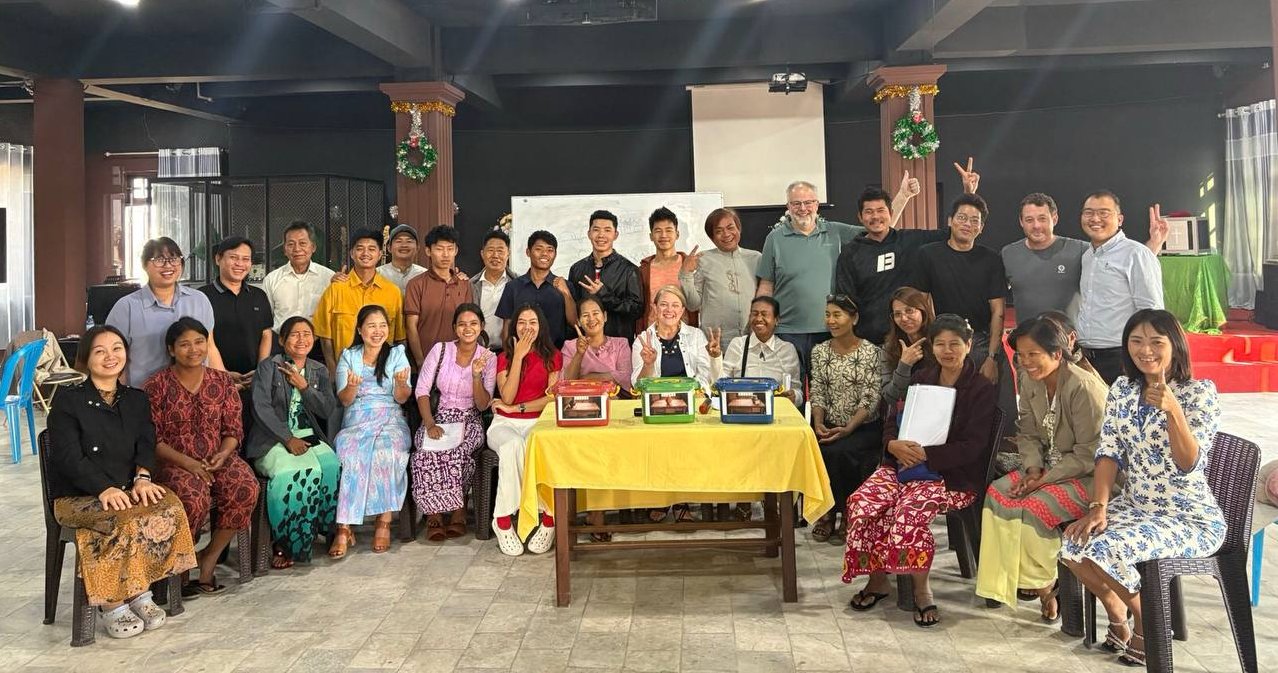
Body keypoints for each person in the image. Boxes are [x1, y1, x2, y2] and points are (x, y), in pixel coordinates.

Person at [1061, 309, 1224, 667]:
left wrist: (1173, 411)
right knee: (1072, 542)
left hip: (1187, 516)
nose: (1145, 349)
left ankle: (1151, 623)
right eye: (1136, 341)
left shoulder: (1199, 393)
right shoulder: (1122, 389)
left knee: (1106, 549)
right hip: (1136, 506)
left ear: (1175, 346)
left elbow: (1189, 464)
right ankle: (1120, 616)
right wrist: (1098, 506)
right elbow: (1108, 452)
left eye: (1156, 341)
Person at [843, 314, 996, 628]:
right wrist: (893, 446)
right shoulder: (920, 378)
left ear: (969, 346)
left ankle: (921, 591)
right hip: (903, 465)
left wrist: (928, 454)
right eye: (940, 344)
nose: (947, 350)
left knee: (909, 511)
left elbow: (974, 446)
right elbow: (890, 421)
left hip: (949, 476)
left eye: (955, 343)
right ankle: (877, 581)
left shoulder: (980, 388)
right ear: (932, 347)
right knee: (863, 503)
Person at [47, 325, 196, 638]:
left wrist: (143, 477)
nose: (110, 356)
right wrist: (104, 488)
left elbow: (146, 440)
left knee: (167, 504)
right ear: (86, 359)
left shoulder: (135, 399)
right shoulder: (68, 402)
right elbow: (68, 458)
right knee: (118, 518)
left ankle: (140, 590)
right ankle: (112, 603)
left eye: (116, 348)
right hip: (78, 495)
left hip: (127, 487)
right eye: (100, 351)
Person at [974, 317, 1107, 619]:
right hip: (1047, 467)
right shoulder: (1028, 378)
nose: (1025, 362)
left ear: (1057, 353)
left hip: (1092, 476)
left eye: (1033, 354)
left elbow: (1091, 455)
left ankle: (1043, 583)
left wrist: (1044, 480)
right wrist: (1033, 471)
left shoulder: (1084, 388)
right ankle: (1007, 583)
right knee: (997, 493)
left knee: (1035, 506)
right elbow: (1028, 432)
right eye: (1020, 355)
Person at [144, 317, 259, 596]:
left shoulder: (222, 382)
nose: (193, 349)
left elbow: (233, 430)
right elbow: (152, 440)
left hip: (216, 458)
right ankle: (181, 567)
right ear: (171, 349)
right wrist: (190, 464)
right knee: (192, 497)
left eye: (199, 342)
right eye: (184, 344)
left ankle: (209, 558)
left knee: (245, 487)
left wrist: (222, 454)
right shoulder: (156, 385)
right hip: (174, 462)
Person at [835, 163, 976, 345]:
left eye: (881, 211)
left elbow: (953, 233)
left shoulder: (910, 240)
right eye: (869, 212)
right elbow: (846, 300)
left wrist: (968, 194)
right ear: (860, 218)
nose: (875, 217)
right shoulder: (850, 252)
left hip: (912, 338)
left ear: (891, 213)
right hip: (869, 341)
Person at [247, 316, 340, 568]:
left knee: (332, 466)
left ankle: (326, 529)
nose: (302, 339)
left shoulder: (318, 370)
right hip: (272, 438)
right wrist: (287, 438)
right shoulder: (269, 367)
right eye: (295, 334)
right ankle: (286, 541)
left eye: (307, 334)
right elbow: (261, 407)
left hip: (308, 434)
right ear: (281, 340)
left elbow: (327, 408)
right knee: (300, 471)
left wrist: (305, 386)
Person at [1002, 192, 1167, 328]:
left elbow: (1119, 258)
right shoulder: (1008, 253)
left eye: (1042, 218)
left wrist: (1153, 245)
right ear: (1021, 222)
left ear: (1055, 219)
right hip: (1027, 347)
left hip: (1071, 347)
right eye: (1029, 220)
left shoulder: (1081, 250)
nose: (1036, 225)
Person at [757, 181, 864, 381]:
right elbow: (766, 284)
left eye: (808, 202)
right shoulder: (775, 238)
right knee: (789, 391)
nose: (803, 208)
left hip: (829, 329)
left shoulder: (835, 232)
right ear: (788, 207)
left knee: (826, 392)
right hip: (786, 332)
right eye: (796, 203)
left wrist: (903, 197)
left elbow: (877, 228)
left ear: (817, 205)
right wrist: (759, 320)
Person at [329, 305, 413, 557]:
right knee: (349, 452)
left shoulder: (397, 354)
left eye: (382, 326)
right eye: (372, 326)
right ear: (360, 329)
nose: (378, 331)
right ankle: (344, 527)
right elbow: (344, 400)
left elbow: (401, 398)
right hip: (357, 419)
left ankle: (383, 522)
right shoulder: (349, 356)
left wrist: (400, 384)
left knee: (386, 453)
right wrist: (352, 388)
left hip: (390, 417)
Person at [413, 304, 496, 541]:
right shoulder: (440, 350)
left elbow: (482, 404)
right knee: (424, 453)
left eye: (473, 324)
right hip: (437, 417)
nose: (467, 328)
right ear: (454, 328)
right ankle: (434, 513)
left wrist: (477, 375)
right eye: (462, 324)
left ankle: (458, 510)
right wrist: (429, 424)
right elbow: (422, 391)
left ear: (481, 327)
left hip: (469, 419)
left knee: (458, 452)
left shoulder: (488, 358)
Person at [487, 304, 562, 556]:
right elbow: (506, 395)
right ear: (514, 326)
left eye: (533, 322)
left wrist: (516, 408)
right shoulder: (504, 357)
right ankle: (504, 520)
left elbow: (551, 398)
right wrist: (518, 356)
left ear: (541, 326)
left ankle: (548, 519)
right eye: (521, 322)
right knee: (512, 446)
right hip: (504, 424)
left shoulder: (553, 356)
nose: (527, 327)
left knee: (538, 448)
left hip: (538, 422)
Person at [807, 295, 882, 542]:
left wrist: (849, 427)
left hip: (863, 426)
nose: (831, 320)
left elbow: (871, 397)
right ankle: (827, 512)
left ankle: (847, 512)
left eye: (837, 315)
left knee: (842, 451)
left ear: (854, 318)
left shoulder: (872, 352)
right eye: (828, 314)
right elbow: (817, 391)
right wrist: (818, 422)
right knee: (819, 448)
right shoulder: (819, 352)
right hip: (828, 424)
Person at [107, 237, 225, 386]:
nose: (168, 265)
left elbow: (210, 348)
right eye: (159, 259)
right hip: (143, 397)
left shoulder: (199, 300)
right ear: (144, 265)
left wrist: (224, 386)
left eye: (174, 259)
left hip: (195, 397)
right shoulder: (126, 308)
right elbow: (115, 360)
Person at [913, 194, 1006, 384]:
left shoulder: (991, 259)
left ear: (981, 228)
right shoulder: (928, 254)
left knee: (994, 403)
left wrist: (992, 357)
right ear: (950, 220)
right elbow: (920, 302)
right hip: (942, 339)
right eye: (961, 217)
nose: (967, 224)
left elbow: (998, 310)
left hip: (980, 340)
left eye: (974, 220)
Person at [1076, 192, 1166, 384]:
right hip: (1086, 357)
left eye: (1104, 213)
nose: (1095, 219)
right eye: (1089, 213)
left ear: (1120, 219)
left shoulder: (1136, 254)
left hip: (1121, 358)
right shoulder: (1087, 256)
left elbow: (1151, 311)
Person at [199, 236, 274, 434]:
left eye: (246, 259)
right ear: (218, 259)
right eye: (234, 257)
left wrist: (261, 370)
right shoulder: (202, 297)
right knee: (222, 434)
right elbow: (205, 339)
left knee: (255, 435)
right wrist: (223, 376)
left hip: (254, 381)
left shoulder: (259, 296)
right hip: (215, 382)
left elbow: (266, 334)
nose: (240, 264)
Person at [312, 230, 406, 377]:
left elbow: (400, 338)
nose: (365, 253)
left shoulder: (392, 292)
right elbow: (325, 336)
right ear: (352, 253)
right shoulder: (336, 289)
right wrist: (332, 370)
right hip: (345, 373)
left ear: (380, 254)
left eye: (372, 249)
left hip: (383, 374)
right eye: (360, 248)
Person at [679, 208, 761, 344]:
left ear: (739, 229)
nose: (726, 234)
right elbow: (693, 305)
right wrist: (686, 274)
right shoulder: (704, 259)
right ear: (712, 237)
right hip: (715, 342)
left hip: (751, 340)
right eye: (719, 231)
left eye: (730, 228)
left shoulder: (756, 258)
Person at [710, 296, 802, 406]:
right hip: (741, 410)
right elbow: (719, 385)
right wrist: (715, 358)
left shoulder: (787, 349)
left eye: (764, 314)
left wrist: (794, 396)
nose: (758, 319)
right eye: (754, 314)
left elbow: (798, 392)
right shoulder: (738, 345)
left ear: (776, 320)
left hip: (776, 411)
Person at [405, 225, 475, 367]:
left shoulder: (464, 284)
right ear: (428, 251)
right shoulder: (416, 284)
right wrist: (420, 361)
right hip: (427, 361)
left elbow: (469, 323)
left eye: (450, 249)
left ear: (456, 251)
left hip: (458, 363)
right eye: (439, 249)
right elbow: (411, 326)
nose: (445, 254)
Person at [568, 210, 643, 341]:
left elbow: (636, 310)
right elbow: (574, 311)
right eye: (596, 230)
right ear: (589, 234)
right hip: (586, 346)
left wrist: (604, 294)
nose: (601, 235)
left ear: (616, 235)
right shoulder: (577, 269)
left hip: (619, 347)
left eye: (607, 230)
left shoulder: (629, 269)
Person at [497, 230, 576, 348]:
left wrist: (566, 294)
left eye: (550, 250)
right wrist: (509, 356)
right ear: (528, 252)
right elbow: (507, 328)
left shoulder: (566, 286)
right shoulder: (513, 287)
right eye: (539, 249)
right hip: (521, 357)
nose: (545, 254)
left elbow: (574, 322)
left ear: (555, 254)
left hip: (557, 358)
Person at [631, 285, 716, 391]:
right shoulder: (642, 340)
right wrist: (648, 365)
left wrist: (692, 390)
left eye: (675, 305)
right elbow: (637, 385)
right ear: (655, 308)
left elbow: (706, 375)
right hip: (656, 399)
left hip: (691, 395)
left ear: (682, 310)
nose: (669, 310)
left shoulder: (696, 336)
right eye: (663, 304)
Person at [261, 221, 335, 337]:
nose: (297, 249)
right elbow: (265, 320)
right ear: (284, 249)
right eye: (291, 244)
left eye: (302, 243)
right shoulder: (271, 280)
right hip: (280, 344)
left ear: (313, 247)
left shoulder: (328, 277)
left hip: (317, 346)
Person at [637, 207, 698, 332]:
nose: (663, 235)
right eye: (658, 231)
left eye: (669, 230)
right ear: (651, 236)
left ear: (677, 234)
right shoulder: (643, 270)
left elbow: (696, 304)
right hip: (652, 336)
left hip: (685, 337)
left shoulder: (690, 265)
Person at [879, 287, 935, 409]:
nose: (904, 318)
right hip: (904, 413)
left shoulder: (939, 340)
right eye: (897, 314)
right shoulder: (889, 348)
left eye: (909, 311)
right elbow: (890, 398)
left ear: (923, 311)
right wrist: (904, 365)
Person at [562, 294, 633, 390]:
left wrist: (584, 378)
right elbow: (566, 383)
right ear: (578, 321)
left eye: (595, 313)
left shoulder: (620, 344)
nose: (591, 319)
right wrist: (579, 354)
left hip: (613, 401)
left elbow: (626, 378)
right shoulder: (570, 346)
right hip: (581, 402)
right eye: (585, 315)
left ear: (605, 316)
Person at [471, 229, 516, 349]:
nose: (495, 255)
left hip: (510, 352)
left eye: (500, 251)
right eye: (490, 250)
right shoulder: (470, 285)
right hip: (479, 352)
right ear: (482, 254)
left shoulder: (518, 284)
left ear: (508, 253)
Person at [376, 224, 427, 294]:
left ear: (417, 248)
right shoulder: (378, 274)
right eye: (398, 241)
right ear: (389, 248)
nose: (404, 245)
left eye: (409, 241)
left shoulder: (425, 275)